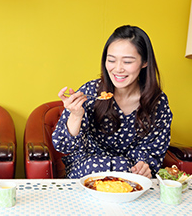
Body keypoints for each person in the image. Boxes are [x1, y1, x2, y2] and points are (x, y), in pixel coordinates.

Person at [52, 25, 173, 179]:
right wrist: (75, 115)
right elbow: (63, 145)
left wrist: (143, 166)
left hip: (130, 173)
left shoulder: (158, 102)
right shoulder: (91, 92)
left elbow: (153, 151)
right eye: (111, 60)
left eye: (127, 62)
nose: (117, 69)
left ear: (144, 62)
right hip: (87, 169)